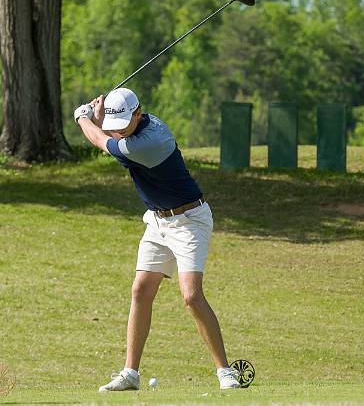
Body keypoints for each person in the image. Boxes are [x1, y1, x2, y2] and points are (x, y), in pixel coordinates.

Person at [73, 88, 240, 391]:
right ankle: (130, 373)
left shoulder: (151, 142)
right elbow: (108, 132)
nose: (121, 128)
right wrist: (99, 116)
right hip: (158, 220)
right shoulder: (133, 124)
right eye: (117, 123)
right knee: (140, 290)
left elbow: (102, 141)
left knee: (191, 295)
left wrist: (83, 117)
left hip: (189, 221)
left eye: (125, 122)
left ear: (138, 114)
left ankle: (225, 372)